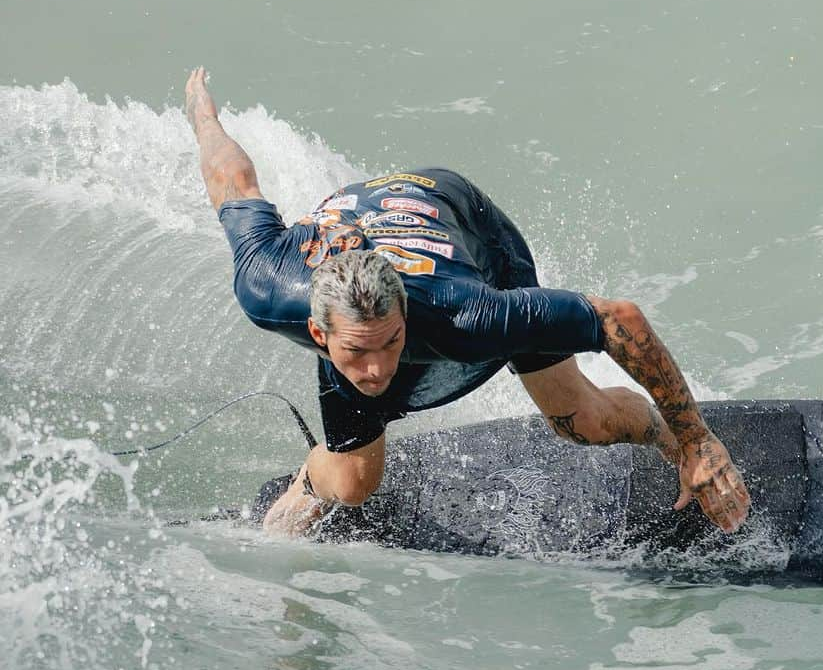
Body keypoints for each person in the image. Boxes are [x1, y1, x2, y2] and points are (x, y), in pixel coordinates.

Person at [185, 67, 751, 538]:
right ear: (319, 335)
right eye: (357, 352)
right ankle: (312, 480)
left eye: (390, 342)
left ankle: (667, 441)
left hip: (465, 224)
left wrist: (696, 437)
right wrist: (204, 118)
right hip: (359, 223)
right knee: (356, 485)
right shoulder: (269, 286)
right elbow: (233, 179)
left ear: (405, 313)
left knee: (584, 422)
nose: (378, 368)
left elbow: (619, 319)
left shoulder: (469, 311)